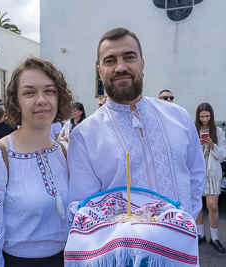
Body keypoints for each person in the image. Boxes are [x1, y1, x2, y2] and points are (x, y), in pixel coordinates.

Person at [68, 27, 206, 220]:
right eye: (110, 60)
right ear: (100, 71)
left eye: (129, 57)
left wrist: (183, 221)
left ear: (142, 64)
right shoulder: (84, 136)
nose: (121, 67)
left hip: (181, 243)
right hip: (122, 249)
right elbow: (86, 206)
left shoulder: (179, 116)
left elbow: (196, 175)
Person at [0, 57, 73, 267]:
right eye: (29, 92)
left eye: (49, 91)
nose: (41, 100)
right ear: (16, 101)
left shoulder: (66, 153)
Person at [194, 103, 226, 253]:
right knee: (197, 205)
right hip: (197, 172)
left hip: (212, 172)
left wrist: (212, 146)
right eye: (202, 116)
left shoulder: (218, 131)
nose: (204, 119)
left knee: (212, 205)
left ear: (211, 115)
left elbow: (225, 152)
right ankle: (200, 234)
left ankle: (214, 238)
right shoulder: (193, 129)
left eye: (207, 116)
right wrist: (198, 145)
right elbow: (187, 150)